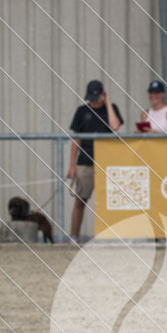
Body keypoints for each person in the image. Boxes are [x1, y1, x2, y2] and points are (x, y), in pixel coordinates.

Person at [67, 79, 122, 241]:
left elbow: (115, 126)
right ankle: (74, 236)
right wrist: (72, 165)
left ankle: (109, 235)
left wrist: (108, 102)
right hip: (85, 160)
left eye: (96, 97)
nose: (93, 100)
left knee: (108, 202)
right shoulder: (81, 111)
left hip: (107, 162)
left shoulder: (111, 110)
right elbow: (76, 139)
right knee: (80, 200)